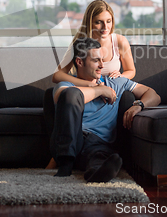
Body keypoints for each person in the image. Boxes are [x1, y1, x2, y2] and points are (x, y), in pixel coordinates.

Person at [51, 37, 160, 182]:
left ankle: (97, 174)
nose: (102, 66)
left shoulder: (116, 83)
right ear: (79, 62)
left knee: (99, 158)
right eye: (96, 60)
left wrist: (138, 105)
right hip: (72, 140)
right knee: (71, 94)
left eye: (102, 60)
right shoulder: (66, 84)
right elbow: (64, 97)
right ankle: (66, 164)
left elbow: (154, 95)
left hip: (97, 144)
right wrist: (99, 91)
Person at [52, 0, 135, 86]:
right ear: (90, 22)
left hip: (113, 89)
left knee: (128, 96)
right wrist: (89, 85)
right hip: (87, 91)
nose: (105, 27)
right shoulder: (81, 44)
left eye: (108, 21)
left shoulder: (120, 41)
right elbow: (57, 75)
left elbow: (131, 70)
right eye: (98, 22)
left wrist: (121, 76)